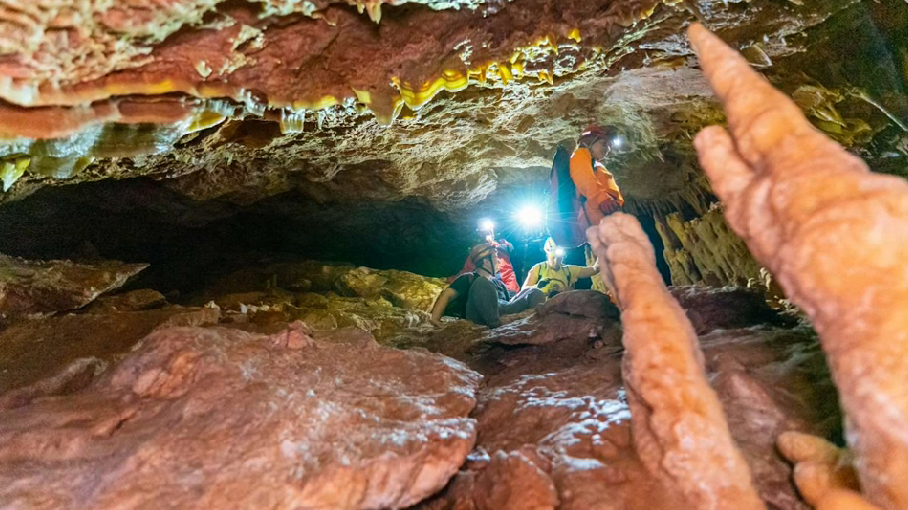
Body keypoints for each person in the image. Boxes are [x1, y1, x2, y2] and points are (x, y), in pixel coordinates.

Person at [431, 243, 545, 328]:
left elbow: (509, 303)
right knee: (483, 282)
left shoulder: (499, 284)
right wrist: (435, 320)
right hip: (479, 316)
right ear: (485, 261)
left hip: (502, 311)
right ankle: (496, 325)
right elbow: (446, 295)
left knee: (532, 291)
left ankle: (537, 323)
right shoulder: (469, 278)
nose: (499, 262)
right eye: (495, 258)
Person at [571, 125, 624, 230]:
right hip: (599, 215)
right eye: (604, 144)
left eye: (609, 147)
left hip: (606, 216)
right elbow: (584, 178)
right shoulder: (580, 154)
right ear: (590, 140)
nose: (607, 149)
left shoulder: (594, 163)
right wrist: (602, 199)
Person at [446, 224, 518, 293]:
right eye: (483, 231)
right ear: (480, 234)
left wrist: (494, 244)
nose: (486, 233)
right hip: (487, 285)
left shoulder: (502, 244)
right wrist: (453, 279)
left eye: (489, 230)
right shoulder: (476, 250)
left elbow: (511, 249)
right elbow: (467, 269)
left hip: (508, 284)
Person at [522, 237, 599, 299]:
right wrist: (538, 287)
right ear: (548, 254)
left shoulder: (568, 270)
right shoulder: (538, 269)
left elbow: (594, 269)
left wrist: (601, 249)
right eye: (554, 257)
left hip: (560, 308)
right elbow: (524, 291)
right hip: (540, 308)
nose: (556, 260)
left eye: (559, 258)